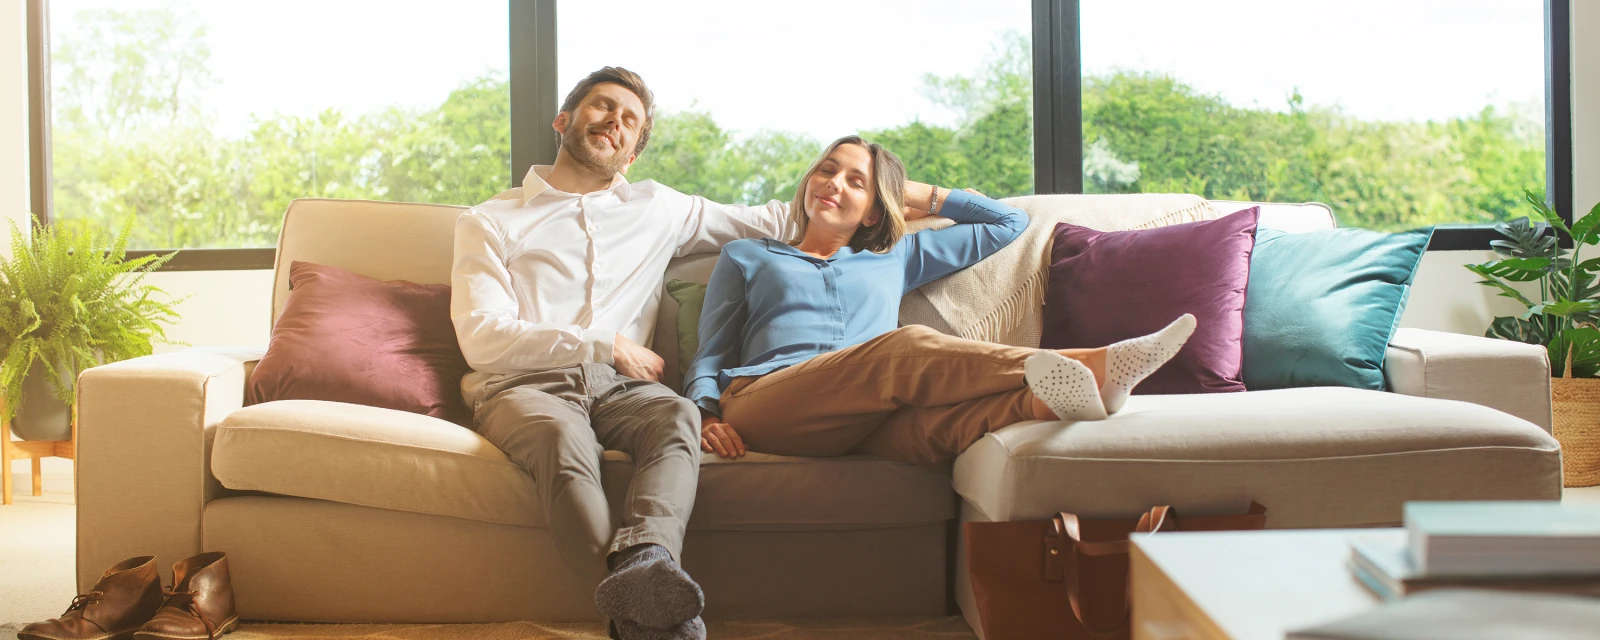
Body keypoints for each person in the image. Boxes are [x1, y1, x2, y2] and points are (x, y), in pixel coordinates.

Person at [451, 66, 793, 640]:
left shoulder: (662, 208)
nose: (614, 120)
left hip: (625, 393)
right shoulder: (490, 220)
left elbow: (780, 221)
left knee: (679, 413)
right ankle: (652, 619)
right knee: (560, 438)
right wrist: (603, 344)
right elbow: (481, 336)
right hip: (522, 384)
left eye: (629, 119)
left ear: (632, 152)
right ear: (564, 120)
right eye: (602, 107)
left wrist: (901, 190)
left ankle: (645, 563)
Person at [685, 135, 1196, 467]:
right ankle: (1096, 364)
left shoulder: (896, 254)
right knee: (900, 348)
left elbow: (1006, 223)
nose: (832, 183)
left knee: (952, 425)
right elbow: (712, 351)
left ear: (872, 211)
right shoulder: (747, 255)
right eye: (826, 170)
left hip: (867, 416)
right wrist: (705, 414)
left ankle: (1077, 394)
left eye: (855, 180)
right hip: (768, 402)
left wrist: (913, 191)